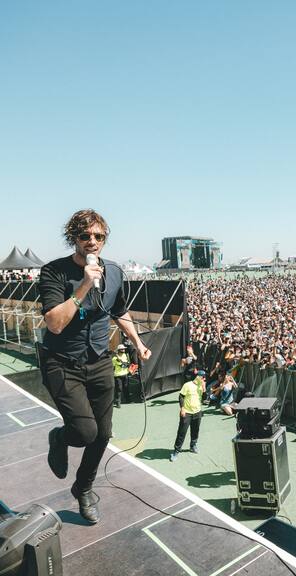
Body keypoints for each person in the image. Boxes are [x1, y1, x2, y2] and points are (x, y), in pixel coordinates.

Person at [39, 209, 152, 524]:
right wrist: (84, 287)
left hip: (100, 360)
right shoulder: (54, 272)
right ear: (73, 238)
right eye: (85, 236)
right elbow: (54, 324)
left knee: (102, 434)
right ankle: (60, 438)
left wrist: (138, 343)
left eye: (98, 236)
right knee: (84, 431)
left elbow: (120, 311)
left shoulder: (114, 272)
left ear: (105, 239)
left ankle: (83, 487)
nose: (92, 242)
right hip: (62, 362)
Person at [171, 371, 207, 461]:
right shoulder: (187, 385)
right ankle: (176, 450)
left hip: (197, 412)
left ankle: (193, 445)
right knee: (182, 432)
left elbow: (205, 399)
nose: (204, 379)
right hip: (187, 412)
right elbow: (181, 397)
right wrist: (182, 408)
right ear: (198, 377)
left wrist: (204, 388)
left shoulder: (201, 387)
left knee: (195, 430)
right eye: (203, 378)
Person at [112, 343, 131, 408]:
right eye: (122, 349)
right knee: (119, 389)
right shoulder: (114, 358)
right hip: (118, 375)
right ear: (119, 350)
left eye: (124, 349)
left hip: (125, 374)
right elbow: (113, 367)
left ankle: (128, 400)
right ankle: (118, 402)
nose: (123, 350)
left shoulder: (125, 355)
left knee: (126, 387)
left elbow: (127, 363)